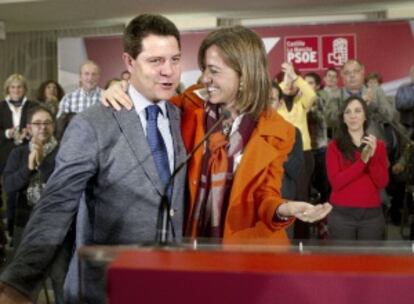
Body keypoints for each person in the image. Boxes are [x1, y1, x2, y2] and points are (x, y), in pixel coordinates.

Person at [0, 14, 187, 304]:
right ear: (129, 62)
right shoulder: (93, 123)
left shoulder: (180, 116)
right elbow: (58, 203)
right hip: (107, 288)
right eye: (156, 61)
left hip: (170, 285)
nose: (169, 71)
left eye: (175, 59)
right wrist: (19, 282)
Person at [102, 26, 332, 244]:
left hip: (250, 250)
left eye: (213, 71)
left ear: (244, 76)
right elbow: (149, 105)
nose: (204, 78)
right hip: (191, 243)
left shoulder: (281, 131)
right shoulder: (190, 104)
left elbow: (265, 195)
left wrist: (284, 209)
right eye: (203, 69)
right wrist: (123, 90)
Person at [2, 106, 67, 304]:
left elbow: (63, 185)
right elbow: (10, 185)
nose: (42, 128)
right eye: (37, 124)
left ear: (53, 126)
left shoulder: (63, 152)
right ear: (29, 128)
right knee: (23, 281)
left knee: (60, 277)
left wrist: (41, 162)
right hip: (26, 223)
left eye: (47, 123)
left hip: (57, 224)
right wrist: (29, 167)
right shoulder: (18, 153)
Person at [326, 96, 389, 240]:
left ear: (365, 116)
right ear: (343, 118)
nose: (353, 116)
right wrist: (362, 162)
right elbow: (336, 182)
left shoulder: (377, 145)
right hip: (341, 216)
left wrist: (371, 159)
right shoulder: (334, 146)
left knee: (369, 261)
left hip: (371, 217)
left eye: (357, 111)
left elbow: (382, 182)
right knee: (343, 262)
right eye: (347, 112)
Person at [0, 74, 38, 243]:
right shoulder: (0, 107)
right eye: (13, 87)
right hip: (5, 156)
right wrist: (7, 133)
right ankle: (10, 232)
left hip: (26, 154)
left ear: (24, 89)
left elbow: (40, 125)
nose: (16, 90)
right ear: (7, 89)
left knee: (25, 194)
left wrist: (31, 133)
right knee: (10, 193)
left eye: (19, 87)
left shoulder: (33, 106)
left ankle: (23, 232)